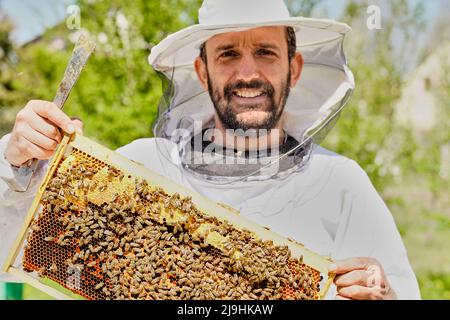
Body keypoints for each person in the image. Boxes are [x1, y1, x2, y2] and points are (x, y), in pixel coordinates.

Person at [0, 0, 420, 299]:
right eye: (228, 54)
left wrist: (386, 296)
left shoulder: (342, 186)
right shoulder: (141, 165)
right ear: (202, 71)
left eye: (265, 52)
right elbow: (11, 243)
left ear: (293, 68)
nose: (248, 73)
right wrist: (18, 163)